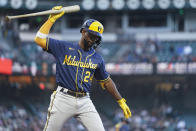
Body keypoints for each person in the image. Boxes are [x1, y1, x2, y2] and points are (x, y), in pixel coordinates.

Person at [34, 6, 131, 131]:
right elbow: (39, 39)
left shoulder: (97, 58)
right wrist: (51, 20)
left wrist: (120, 100)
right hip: (63, 98)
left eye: (96, 38)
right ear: (83, 32)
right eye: (92, 35)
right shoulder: (64, 47)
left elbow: (106, 81)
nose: (93, 40)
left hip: (84, 100)